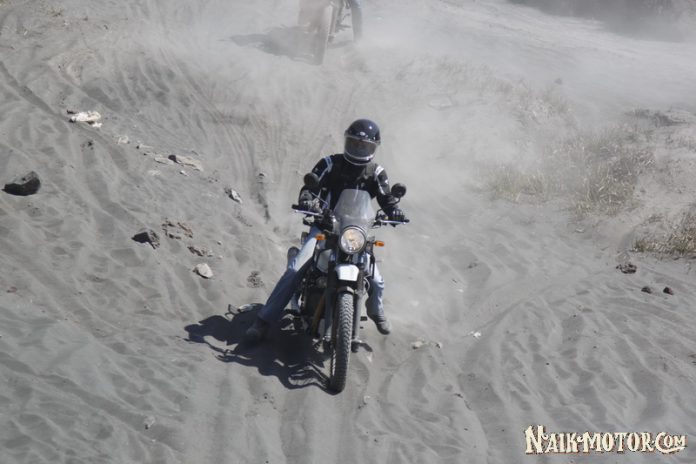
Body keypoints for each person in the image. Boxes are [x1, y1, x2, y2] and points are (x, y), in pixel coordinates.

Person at [245, 119, 407, 342]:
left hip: (356, 231)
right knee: (295, 270)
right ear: (346, 142)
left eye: (364, 145)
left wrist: (394, 210)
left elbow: (386, 198)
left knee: (376, 280)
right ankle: (262, 321)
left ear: (373, 148)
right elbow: (310, 187)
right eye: (354, 143)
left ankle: (376, 311)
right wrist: (307, 199)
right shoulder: (330, 163)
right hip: (325, 228)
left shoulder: (376, 172)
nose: (358, 148)